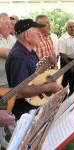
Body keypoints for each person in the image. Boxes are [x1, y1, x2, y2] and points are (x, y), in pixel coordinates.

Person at [5, 19, 63, 121]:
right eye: (37, 33)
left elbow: (34, 79)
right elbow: (19, 91)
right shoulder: (19, 56)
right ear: (27, 35)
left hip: (32, 109)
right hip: (24, 115)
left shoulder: (29, 52)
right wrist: (48, 87)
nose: (40, 36)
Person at [0, 12, 16, 149]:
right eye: (7, 23)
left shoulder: (12, 38)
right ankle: (2, 141)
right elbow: (10, 53)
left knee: (9, 112)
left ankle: (14, 137)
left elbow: (15, 53)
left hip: (10, 83)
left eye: (11, 23)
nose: (10, 25)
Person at [58, 21, 74, 97]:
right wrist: (71, 66)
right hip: (66, 62)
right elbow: (62, 54)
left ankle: (71, 104)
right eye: (70, 27)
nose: (72, 28)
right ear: (66, 28)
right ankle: (62, 103)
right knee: (64, 85)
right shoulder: (63, 39)